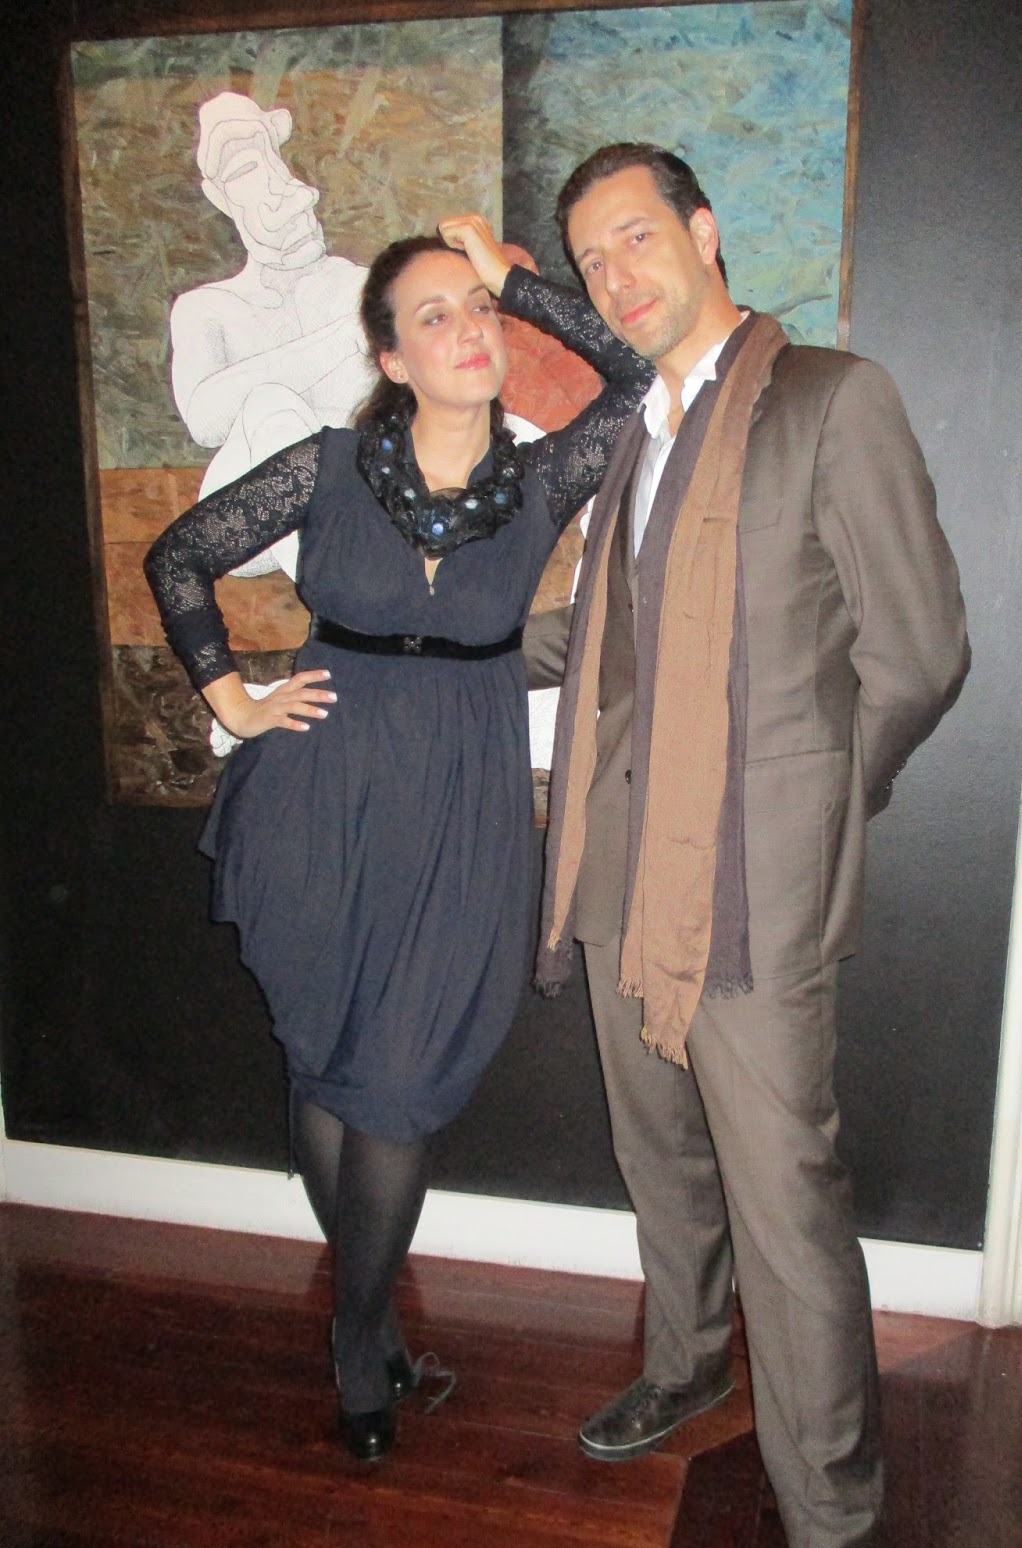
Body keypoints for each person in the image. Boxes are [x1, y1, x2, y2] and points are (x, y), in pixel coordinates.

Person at [524, 145, 970, 1548]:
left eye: (636, 238)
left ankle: (832, 1525)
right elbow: (599, 635)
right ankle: (684, 1364)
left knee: (787, 1211)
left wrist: (814, 805)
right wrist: (416, 625)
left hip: (751, 890)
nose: (616, 276)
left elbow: (920, 652)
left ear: (705, 232)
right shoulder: (634, 436)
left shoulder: (832, 400)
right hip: (619, 871)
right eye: (591, 259)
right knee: (657, 1155)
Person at [144, 216, 652, 1461]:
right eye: (436, 315)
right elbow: (181, 556)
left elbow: (635, 373)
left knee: (401, 1080)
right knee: (328, 1064)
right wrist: (233, 697)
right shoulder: (325, 470)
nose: (469, 329)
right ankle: (368, 1334)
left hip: (463, 807)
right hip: (322, 794)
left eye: (477, 311)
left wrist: (514, 277)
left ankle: (356, 1329)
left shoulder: (542, 480)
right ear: (390, 357)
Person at [171, 91, 373, 576]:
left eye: (271, 158)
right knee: (270, 405)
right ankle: (333, 588)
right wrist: (341, 339)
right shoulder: (207, 308)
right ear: (220, 196)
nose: (280, 190)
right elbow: (205, 420)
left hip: (356, 498)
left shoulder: (357, 287)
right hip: (248, 518)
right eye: (243, 169)